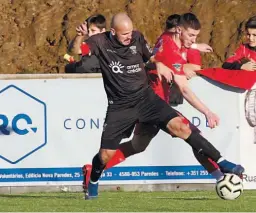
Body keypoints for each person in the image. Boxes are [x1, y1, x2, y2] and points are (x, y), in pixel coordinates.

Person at [81, 12, 244, 200]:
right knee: (189, 133)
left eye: (196, 37)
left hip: (147, 101)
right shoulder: (170, 51)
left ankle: (221, 167)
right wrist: (207, 111)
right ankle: (220, 175)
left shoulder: (165, 38)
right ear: (179, 30)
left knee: (141, 144)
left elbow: (152, 56)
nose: (193, 39)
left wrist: (187, 49)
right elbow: (183, 88)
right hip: (129, 104)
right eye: (191, 35)